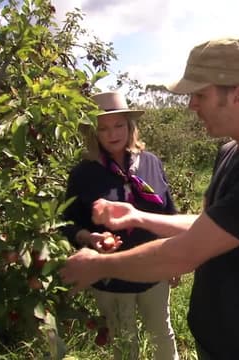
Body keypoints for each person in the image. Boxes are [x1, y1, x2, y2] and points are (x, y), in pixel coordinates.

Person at [60, 38, 239, 360]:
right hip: (215, 335)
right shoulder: (231, 152)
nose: (191, 105)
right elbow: (209, 226)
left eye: (200, 94)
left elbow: (186, 253)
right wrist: (137, 216)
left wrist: (98, 266)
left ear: (238, 94)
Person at [61, 91, 180, 360]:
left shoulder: (150, 162)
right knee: (123, 342)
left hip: (154, 265)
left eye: (119, 125)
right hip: (110, 274)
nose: (112, 133)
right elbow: (66, 223)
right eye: (103, 128)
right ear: (94, 133)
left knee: (162, 332)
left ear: (130, 126)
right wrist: (89, 237)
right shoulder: (83, 174)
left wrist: (175, 258)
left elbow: (169, 212)